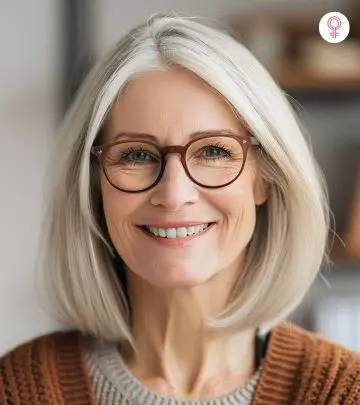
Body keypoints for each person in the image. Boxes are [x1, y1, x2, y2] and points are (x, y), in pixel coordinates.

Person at [1, 14, 359, 405]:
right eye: (136, 154)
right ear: (94, 185)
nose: (173, 194)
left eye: (213, 151)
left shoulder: (343, 392)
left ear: (264, 178)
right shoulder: (17, 390)